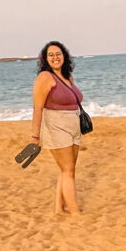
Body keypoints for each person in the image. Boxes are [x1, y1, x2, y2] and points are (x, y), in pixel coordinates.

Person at [30, 41, 84, 215]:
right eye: (51, 55)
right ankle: (75, 211)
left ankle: (59, 208)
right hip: (55, 125)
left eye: (58, 54)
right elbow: (37, 108)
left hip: (73, 125)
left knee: (67, 169)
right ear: (45, 59)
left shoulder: (68, 77)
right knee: (68, 170)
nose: (55, 57)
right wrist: (35, 137)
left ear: (64, 56)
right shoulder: (45, 77)